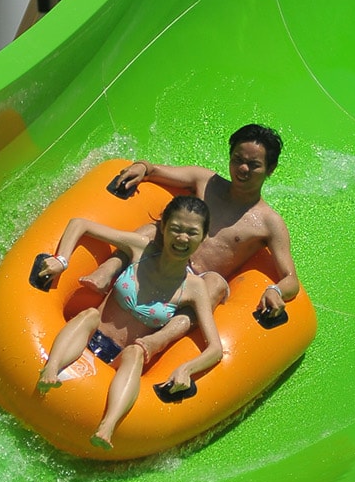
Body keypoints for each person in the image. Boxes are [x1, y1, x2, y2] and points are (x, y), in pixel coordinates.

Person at [34, 195, 222, 450]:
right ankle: (51, 369)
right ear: (164, 227)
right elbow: (80, 224)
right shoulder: (141, 249)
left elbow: (215, 350)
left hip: (119, 359)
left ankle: (107, 426)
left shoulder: (194, 288)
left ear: (203, 237)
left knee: (136, 352)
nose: (182, 238)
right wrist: (62, 260)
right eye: (176, 229)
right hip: (89, 334)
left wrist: (187, 369)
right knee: (89, 315)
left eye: (192, 232)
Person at [95, 124, 300, 330]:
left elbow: (290, 279)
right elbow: (154, 170)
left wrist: (276, 290)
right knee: (151, 230)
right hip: (164, 257)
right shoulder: (205, 181)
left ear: (270, 169)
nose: (243, 169)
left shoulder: (269, 223)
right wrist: (141, 167)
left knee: (216, 283)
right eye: (237, 159)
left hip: (195, 283)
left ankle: (158, 341)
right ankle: (105, 272)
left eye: (253, 165)